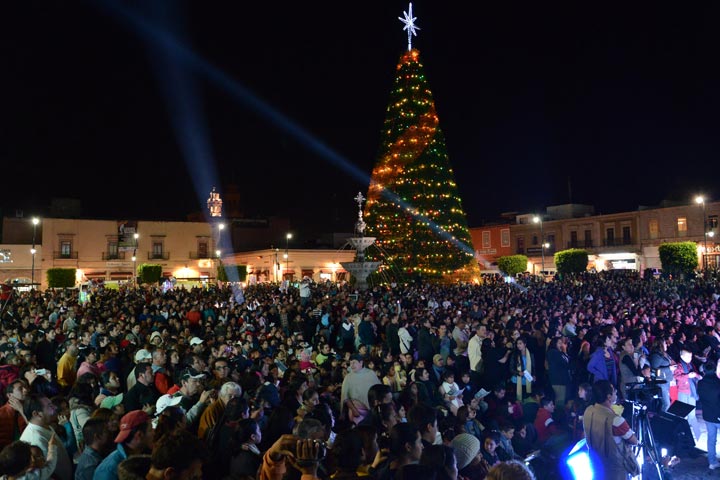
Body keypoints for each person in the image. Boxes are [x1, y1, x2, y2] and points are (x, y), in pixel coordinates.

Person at [583, 380, 637, 480]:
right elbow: (634, 441)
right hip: (615, 470)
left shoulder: (588, 411)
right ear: (609, 397)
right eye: (614, 391)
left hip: (595, 465)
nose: (616, 393)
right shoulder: (616, 420)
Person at [19, 394, 72, 480]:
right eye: (50, 406)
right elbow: (46, 471)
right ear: (36, 414)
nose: (55, 407)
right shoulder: (35, 438)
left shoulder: (46, 425)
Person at [93, 410, 154, 480]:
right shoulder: (108, 470)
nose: (154, 432)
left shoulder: (145, 453)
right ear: (139, 435)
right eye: (150, 429)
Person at [697, 358, 720, 470]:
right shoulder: (718, 383)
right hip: (718, 414)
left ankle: (712, 462)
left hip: (708, 415)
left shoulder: (701, 383)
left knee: (711, 439)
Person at [0, 380, 28, 449]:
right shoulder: (1, 413)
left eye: (26, 387)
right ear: (9, 395)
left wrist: (21, 410)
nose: (25, 390)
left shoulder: (31, 409)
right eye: (20, 388)